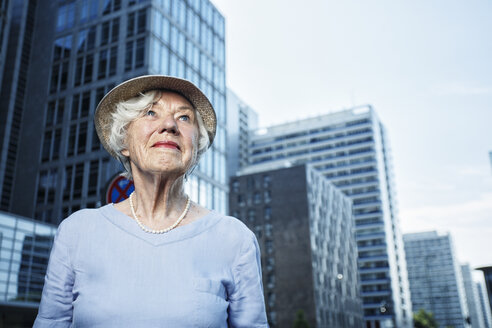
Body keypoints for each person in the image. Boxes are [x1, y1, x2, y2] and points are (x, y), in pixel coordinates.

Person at [33, 75, 268, 327]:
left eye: (184, 117)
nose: (169, 125)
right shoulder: (77, 231)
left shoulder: (234, 238)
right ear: (124, 141)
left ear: (194, 147)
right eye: (150, 113)